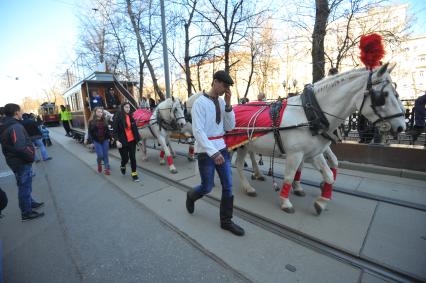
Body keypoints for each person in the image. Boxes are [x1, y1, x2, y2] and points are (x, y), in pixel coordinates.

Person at [186, 70, 245, 236]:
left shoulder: (221, 102)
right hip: (206, 151)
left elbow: (229, 127)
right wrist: (213, 153)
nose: (225, 89)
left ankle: (226, 221)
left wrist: (227, 105)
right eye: (224, 85)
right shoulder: (200, 103)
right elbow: (198, 132)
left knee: (228, 186)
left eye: (227, 87)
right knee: (208, 186)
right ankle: (191, 195)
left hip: (222, 148)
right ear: (215, 82)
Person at [0, 103, 45, 221]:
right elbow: (20, 147)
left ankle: (30, 203)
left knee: (23, 185)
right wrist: (31, 154)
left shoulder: (6, 124)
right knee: (24, 187)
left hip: (14, 160)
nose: (22, 112)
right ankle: (26, 212)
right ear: (16, 113)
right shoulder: (15, 126)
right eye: (21, 111)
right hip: (21, 162)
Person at [112, 102, 141, 182]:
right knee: (125, 158)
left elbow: (135, 130)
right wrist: (117, 140)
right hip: (122, 141)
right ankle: (122, 165)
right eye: (126, 107)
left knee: (133, 158)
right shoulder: (117, 117)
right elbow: (114, 131)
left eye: (129, 107)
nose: (128, 109)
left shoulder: (131, 117)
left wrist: (138, 140)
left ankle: (134, 173)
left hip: (132, 141)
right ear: (122, 108)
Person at [86, 107, 111, 175]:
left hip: (105, 139)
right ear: (95, 113)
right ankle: (99, 163)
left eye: (101, 112)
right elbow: (90, 132)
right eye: (98, 112)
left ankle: (106, 168)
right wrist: (91, 142)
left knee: (105, 155)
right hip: (96, 140)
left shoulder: (105, 120)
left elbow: (107, 130)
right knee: (100, 155)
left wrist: (111, 138)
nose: (100, 113)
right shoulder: (91, 122)